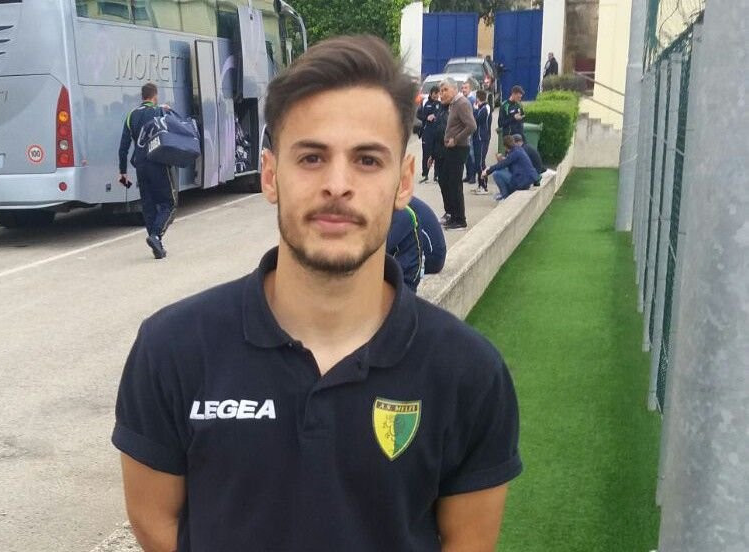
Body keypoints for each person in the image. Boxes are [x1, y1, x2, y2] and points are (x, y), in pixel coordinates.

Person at [113, 35, 521, 552]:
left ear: (404, 181)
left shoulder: (469, 373)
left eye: (367, 160)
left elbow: (468, 541)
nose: (337, 184)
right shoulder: (172, 350)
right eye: (311, 157)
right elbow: (156, 523)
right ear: (270, 175)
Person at [118, 82, 177, 259]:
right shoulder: (160, 112)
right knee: (169, 203)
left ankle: (157, 245)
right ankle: (156, 236)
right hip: (158, 163)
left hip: (141, 166)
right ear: (155, 96)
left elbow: (123, 147)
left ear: (142, 96)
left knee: (148, 205)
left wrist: (122, 171)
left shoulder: (131, 115)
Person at [386, 196, 447, 292]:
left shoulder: (399, 208)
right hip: (436, 251)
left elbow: (385, 246)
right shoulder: (397, 199)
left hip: (433, 257)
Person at [438, 79, 476, 229]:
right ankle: (452, 215)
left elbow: (472, 126)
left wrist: (456, 139)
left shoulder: (462, 103)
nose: (442, 94)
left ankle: (460, 220)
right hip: (450, 149)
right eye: (441, 91)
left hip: (458, 148)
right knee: (446, 181)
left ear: (455, 89)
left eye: (445, 90)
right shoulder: (453, 104)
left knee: (455, 184)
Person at [484, 135, 539, 200]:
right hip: (527, 181)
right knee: (503, 170)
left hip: (521, 182)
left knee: (496, 174)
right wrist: (502, 160)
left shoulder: (514, 153)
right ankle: (507, 193)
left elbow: (501, 165)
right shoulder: (519, 149)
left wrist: (487, 171)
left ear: (505, 146)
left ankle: (505, 196)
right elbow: (508, 161)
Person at [416, 86, 443, 183]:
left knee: (437, 154)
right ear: (431, 94)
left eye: (438, 94)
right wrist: (427, 117)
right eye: (435, 94)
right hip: (427, 133)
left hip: (437, 133)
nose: (436, 96)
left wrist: (436, 116)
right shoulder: (424, 103)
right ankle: (425, 174)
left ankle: (437, 175)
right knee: (426, 154)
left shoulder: (440, 104)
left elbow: (443, 115)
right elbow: (418, 115)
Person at [471, 90, 493, 195]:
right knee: (477, 163)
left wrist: (475, 110)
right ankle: (480, 185)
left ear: (478, 98)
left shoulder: (485, 108)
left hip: (482, 138)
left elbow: (477, 120)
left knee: (481, 163)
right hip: (477, 138)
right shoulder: (481, 108)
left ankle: (484, 186)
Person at [461, 81, 477, 184]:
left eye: (465, 88)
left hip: (469, 130)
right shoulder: (464, 99)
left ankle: (472, 176)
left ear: (470, 89)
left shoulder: (472, 100)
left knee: (471, 153)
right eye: (462, 88)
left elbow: (473, 116)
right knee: (466, 153)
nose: (463, 90)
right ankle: (468, 175)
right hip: (464, 130)